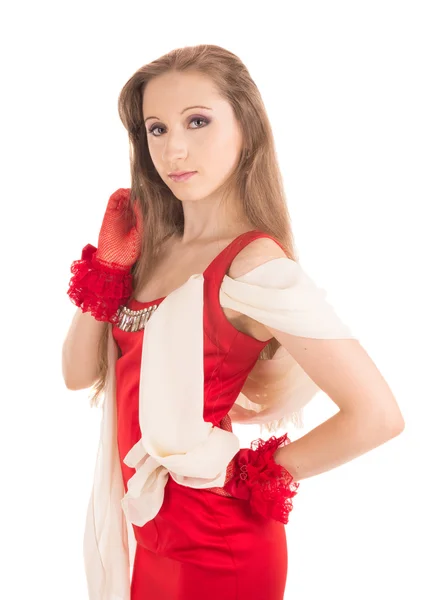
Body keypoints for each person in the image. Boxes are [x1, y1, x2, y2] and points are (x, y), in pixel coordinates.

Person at [62, 44, 405, 600]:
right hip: (150, 532)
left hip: (220, 543)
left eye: (197, 121)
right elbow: (78, 374)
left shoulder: (253, 264)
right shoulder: (153, 249)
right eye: (156, 128)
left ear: (245, 127)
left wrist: (244, 474)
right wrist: (107, 268)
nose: (174, 148)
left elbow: (378, 416)